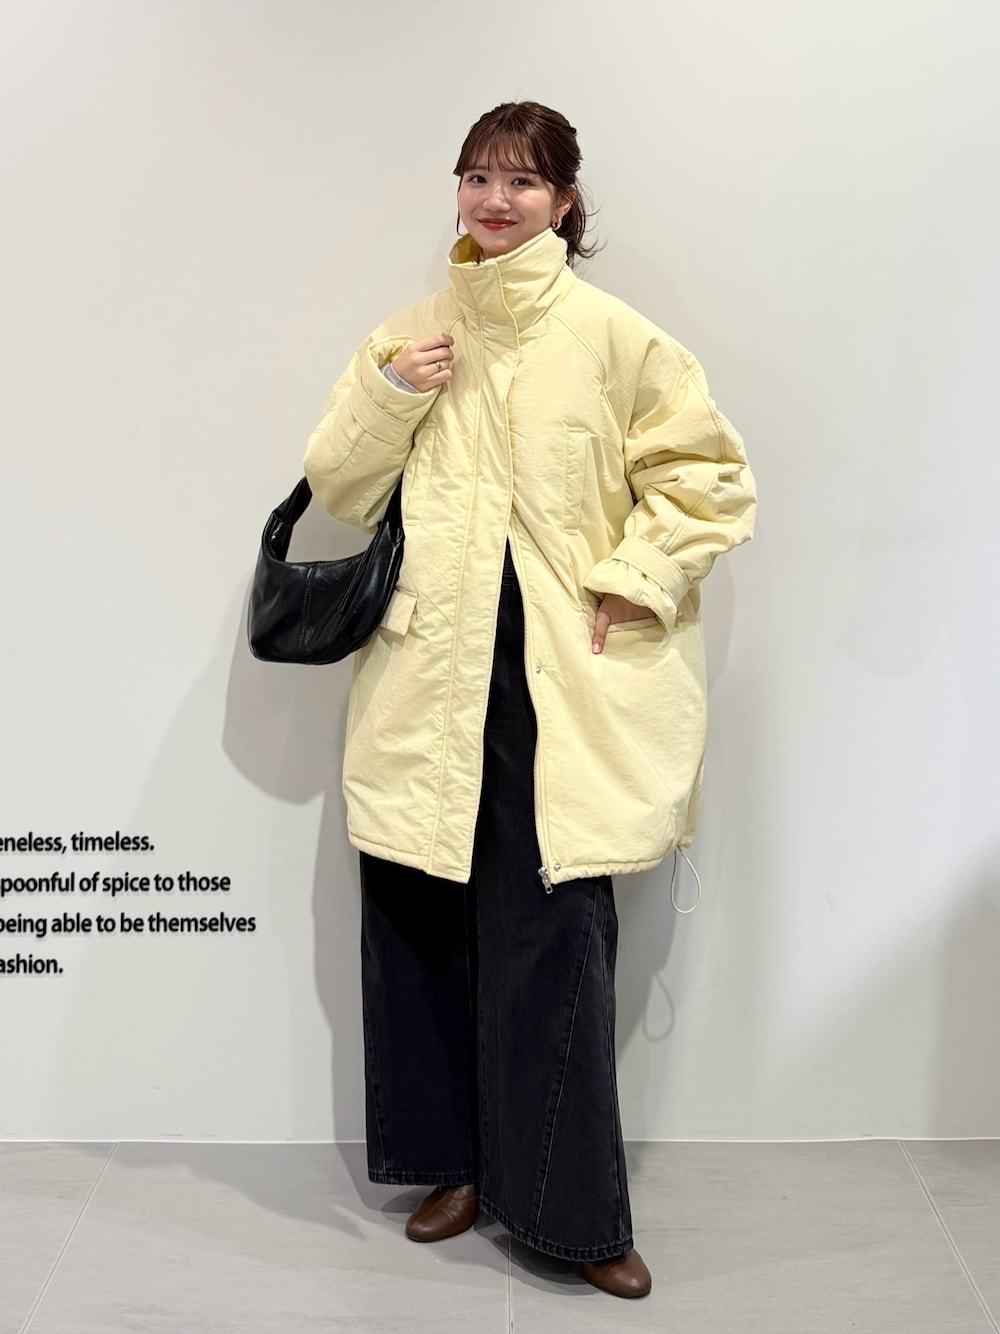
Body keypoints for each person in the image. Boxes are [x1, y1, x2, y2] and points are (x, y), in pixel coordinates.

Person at [303, 101, 755, 1299]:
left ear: (564, 201)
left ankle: (571, 1207)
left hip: (560, 679)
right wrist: (392, 392)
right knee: (419, 919)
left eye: (521, 180)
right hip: (428, 676)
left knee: (555, 934)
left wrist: (636, 576)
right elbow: (338, 486)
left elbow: (707, 479)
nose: (494, 200)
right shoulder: (410, 335)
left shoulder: (617, 339)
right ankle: (450, 1165)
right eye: (476, 176)